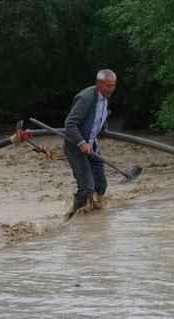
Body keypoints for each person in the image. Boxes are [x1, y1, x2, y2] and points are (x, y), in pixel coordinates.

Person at [63, 69, 117, 217]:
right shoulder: (86, 98)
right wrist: (81, 142)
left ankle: (96, 217)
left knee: (101, 185)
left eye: (113, 85)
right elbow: (70, 123)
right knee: (87, 187)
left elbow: (98, 118)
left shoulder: (105, 97)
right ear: (99, 84)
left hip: (92, 145)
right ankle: (74, 216)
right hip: (75, 146)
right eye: (108, 86)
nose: (111, 89)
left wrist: (104, 129)